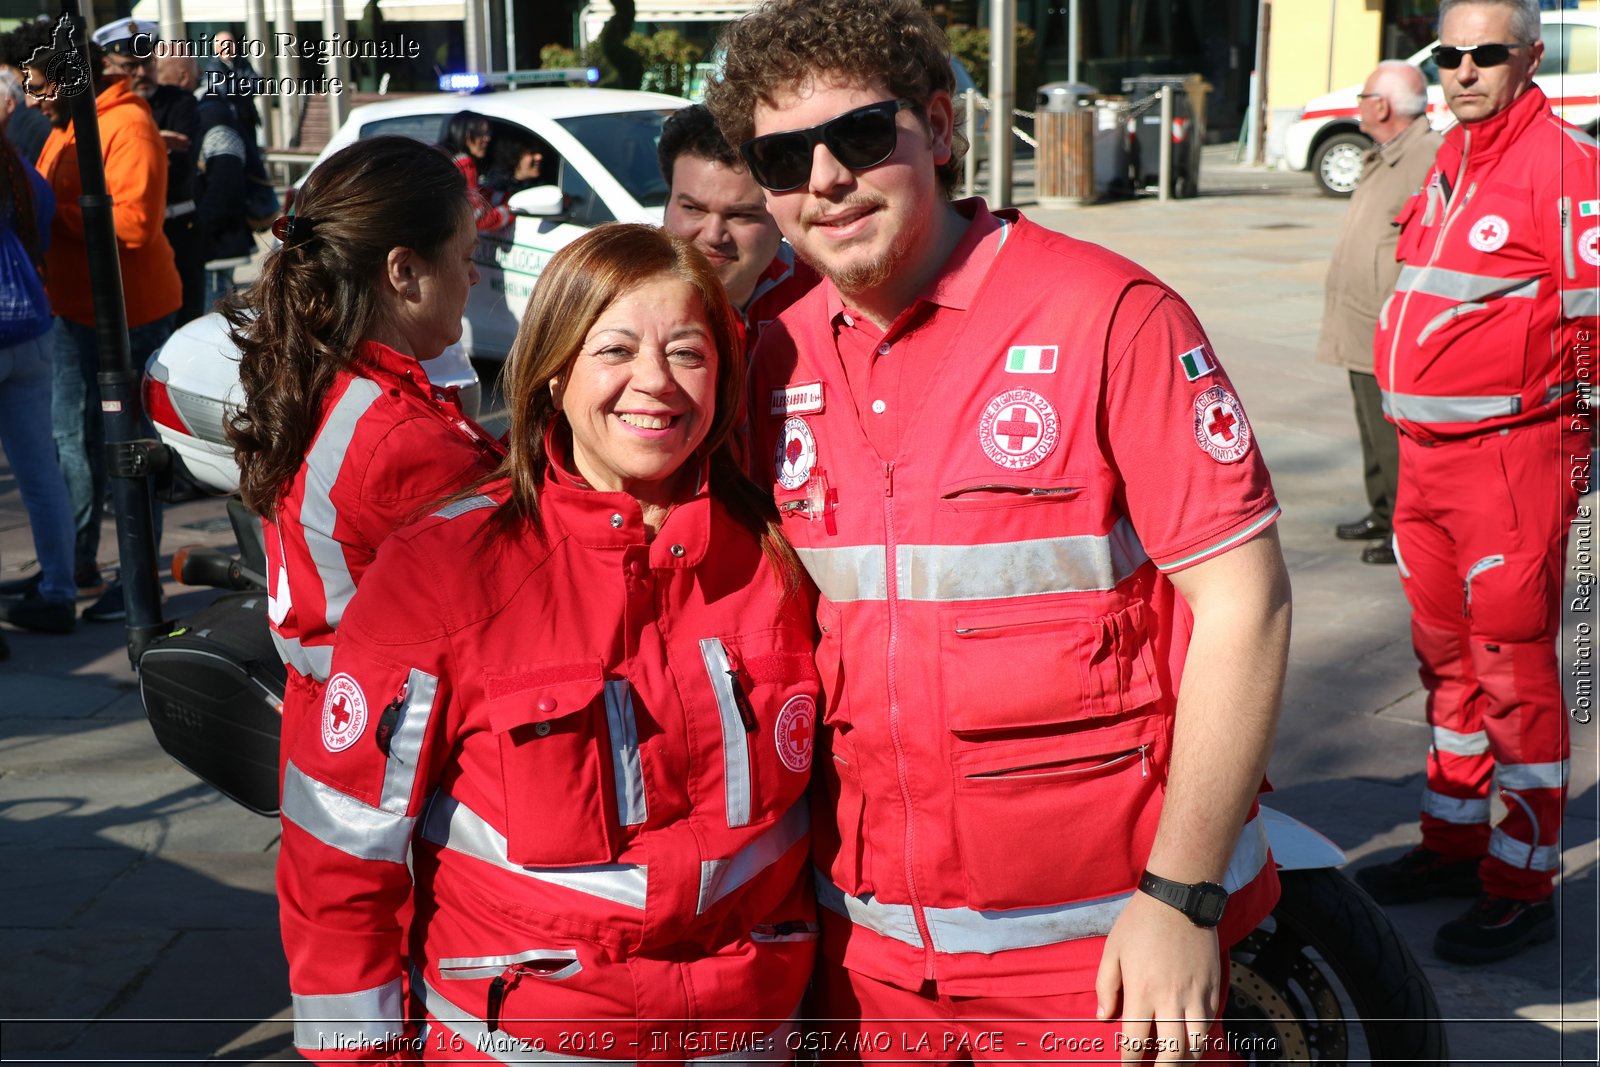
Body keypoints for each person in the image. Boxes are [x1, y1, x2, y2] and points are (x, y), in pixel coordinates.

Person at [708, 0, 1291, 1057]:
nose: (826, 178)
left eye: (862, 136)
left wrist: (1182, 893)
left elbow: (1243, 601)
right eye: (784, 157)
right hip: (870, 955)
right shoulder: (771, 357)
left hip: (1101, 951)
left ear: (938, 123)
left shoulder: (1108, 314)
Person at [276, 223, 817, 1062]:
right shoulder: (442, 572)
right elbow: (340, 857)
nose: (656, 381)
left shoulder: (778, 562)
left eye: (688, 351)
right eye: (616, 349)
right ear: (554, 370)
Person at [1357, 0, 1597, 964]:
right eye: (1447, 54)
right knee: (1448, 668)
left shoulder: (1567, 167)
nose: (1461, 71)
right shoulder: (1453, 155)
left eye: (1485, 54)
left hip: (1512, 463)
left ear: (1529, 57)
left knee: (1513, 672)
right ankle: (1454, 845)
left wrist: (1570, 445)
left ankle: (1519, 882)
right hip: (1425, 465)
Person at [222, 137, 505, 778]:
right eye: (464, 257)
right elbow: (519, 594)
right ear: (403, 271)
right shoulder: (397, 440)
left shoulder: (325, 377)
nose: (473, 276)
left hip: (334, 727)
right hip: (393, 758)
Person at [29, 16, 182, 622]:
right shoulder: (69, 128)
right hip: (75, 312)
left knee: (132, 448)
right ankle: (72, 567)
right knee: (74, 442)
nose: (36, 98)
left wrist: (54, 214)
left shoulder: (126, 124)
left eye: (42, 85)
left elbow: (136, 225)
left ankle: (139, 581)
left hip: (130, 315)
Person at [1314, 61, 1441, 566]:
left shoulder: (1427, 156)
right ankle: (1381, 509)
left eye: (1364, 96)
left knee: (1391, 432)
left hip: (1387, 322)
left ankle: (1402, 528)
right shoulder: (1389, 153)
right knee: (1369, 422)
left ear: (1383, 106)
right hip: (1362, 317)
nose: (1358, 105)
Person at [659, 104, 817, 351]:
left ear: (781, 218)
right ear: (667, 203)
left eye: (740, 215)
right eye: (693, 209)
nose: (713, 235)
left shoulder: (825, 290)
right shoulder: (618, 299)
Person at [0, 126, 74, 639]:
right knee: (42, 474)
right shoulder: (13, 165)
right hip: (29, 325)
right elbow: (42, 215)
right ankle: (58, 590)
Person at [139, 35, 206, 327]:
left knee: (185, 322)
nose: (141, 73)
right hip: (134, 234)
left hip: (178, 225)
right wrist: (155, 141)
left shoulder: (179, 102)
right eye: (131, 66)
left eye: (146, 64)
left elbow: (179, 169)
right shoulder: (105, 110)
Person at [438, 111, 510, 232]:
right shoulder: (464, 163)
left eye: (488, 133)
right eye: (480, 133)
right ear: (465, 135)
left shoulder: (440, 156)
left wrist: (499, 196)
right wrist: (509, 210)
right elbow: (478, 218)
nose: (487, 139)